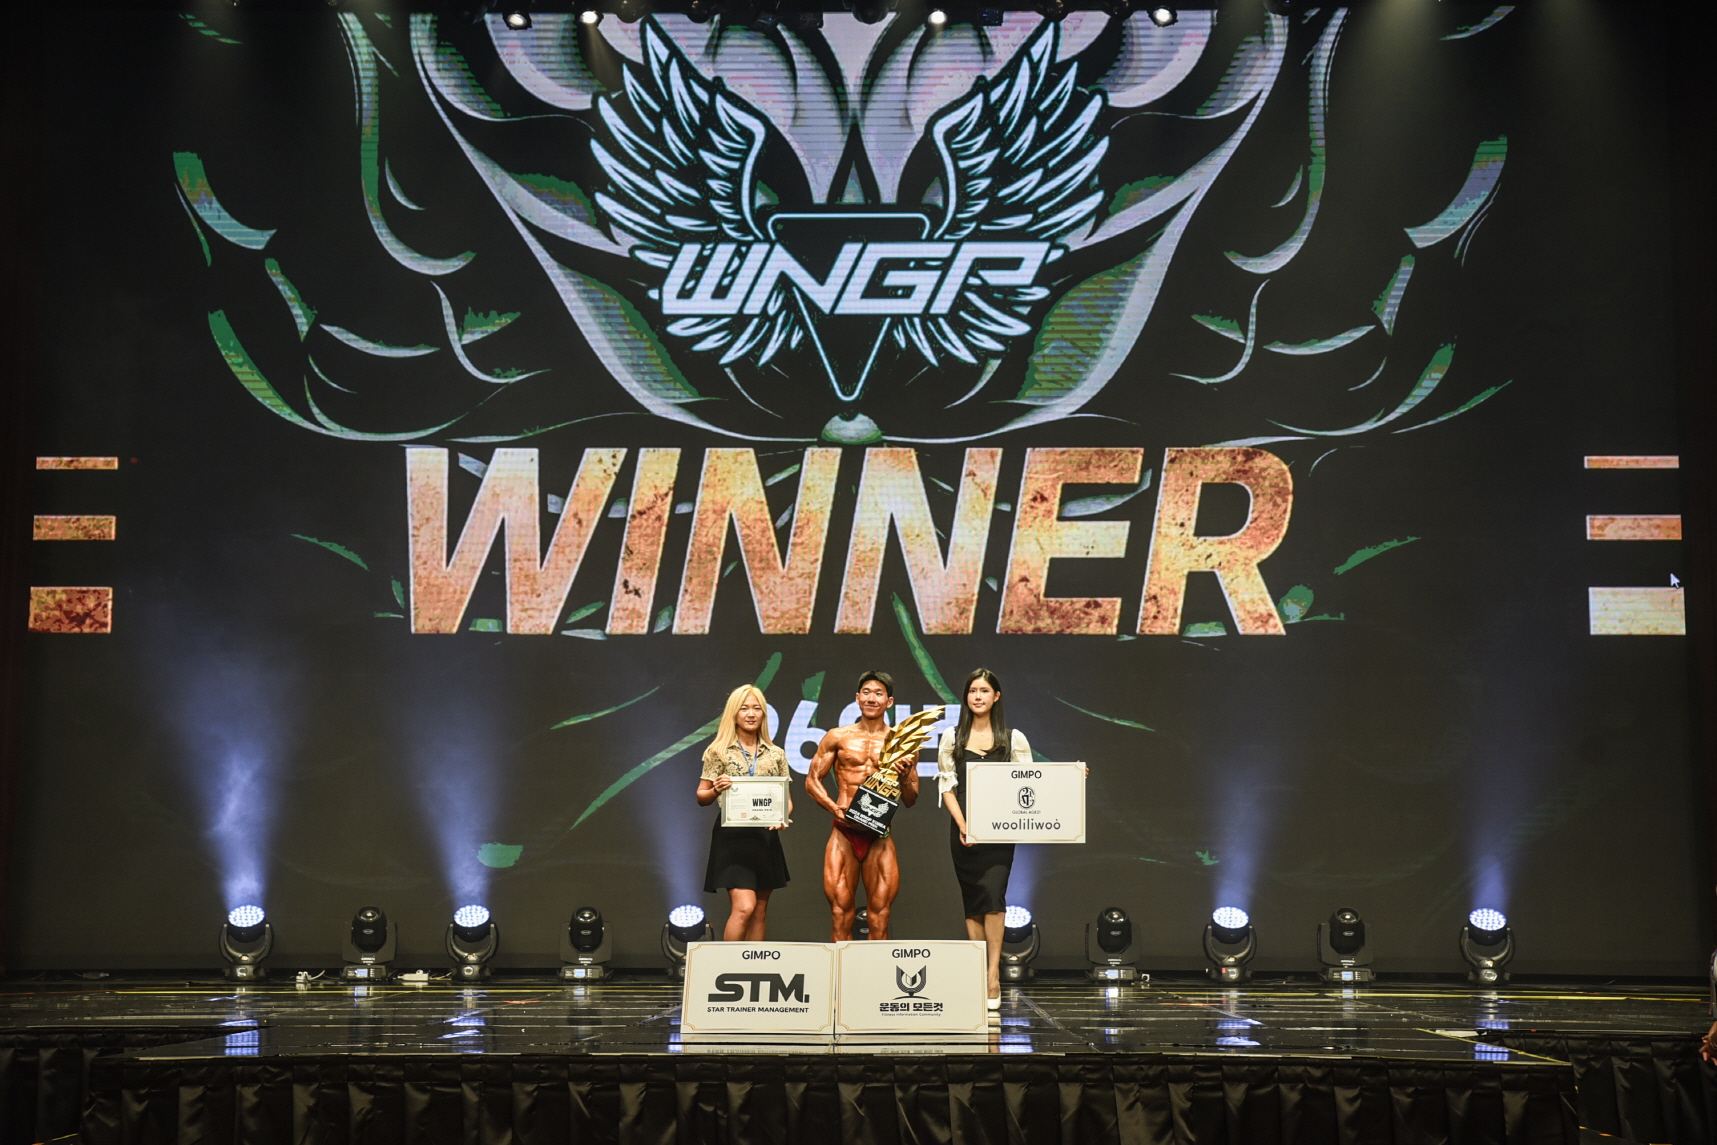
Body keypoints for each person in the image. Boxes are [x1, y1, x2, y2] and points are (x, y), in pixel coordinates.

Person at [937, 668, 1032, 1010]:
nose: (977, 696)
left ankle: (993, 975)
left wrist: (1073, 776)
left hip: (1000, 832)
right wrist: (964, 825)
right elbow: (947, 786)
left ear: (996, 696)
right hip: (963, 831)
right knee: (974, 902)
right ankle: (979, 973)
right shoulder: (952, 737)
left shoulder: (1012, 739)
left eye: (984, 690)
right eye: (972, 691)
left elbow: (1032, 781)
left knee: (993, 897)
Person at [806, 670, 919, 941]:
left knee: (879, 917)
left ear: (889, 702)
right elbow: (812, 780)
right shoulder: (838, 736)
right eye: (866, 692)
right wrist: (835, 808)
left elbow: (911, 798)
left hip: (879, 834)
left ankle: (875, 971)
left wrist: (905, 778)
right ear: (857, 698)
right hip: (843, 832)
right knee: (840, 913)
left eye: (878, 693)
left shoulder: (901, 743)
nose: (871, 698)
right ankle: (840, 971)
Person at [696, 685, 792, 941]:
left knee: (759, 911)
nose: (751, 714)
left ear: (764, 714)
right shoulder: (718, 750)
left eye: (756, 708)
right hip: (733, 837)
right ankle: (728, 963)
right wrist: (715, 789)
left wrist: (782, 816)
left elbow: (786, 801)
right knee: (744, 908)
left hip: (765, 837)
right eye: (744, 708)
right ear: (734, 713)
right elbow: (701, 796)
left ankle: (752, 963)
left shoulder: (776, 754)